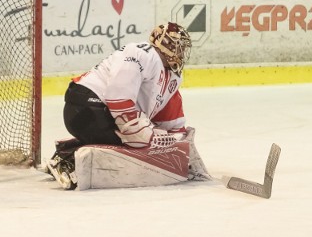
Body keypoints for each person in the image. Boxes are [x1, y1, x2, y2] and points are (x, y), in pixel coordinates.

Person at [47, 23, 209, 189]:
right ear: (164, 43)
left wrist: (183, 153)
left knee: (151, 143)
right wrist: (138, 132)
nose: (181, 52)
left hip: (100, 112)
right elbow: (117, 96)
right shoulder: (141, 53)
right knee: (139, 142)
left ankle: (65, 153)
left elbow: (171, 121)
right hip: (85, 107)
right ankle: (70, 164)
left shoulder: (173, 77)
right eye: (177, 46)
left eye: (183, 48)